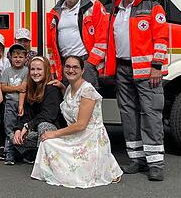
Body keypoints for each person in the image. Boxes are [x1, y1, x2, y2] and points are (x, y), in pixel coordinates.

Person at [106, 0, 169, 181]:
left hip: (147, 72)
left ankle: (155, 164)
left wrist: (157, 66)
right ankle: (136, 159)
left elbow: (161, 38)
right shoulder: (116, 9)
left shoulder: (151, 7)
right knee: (128, 115)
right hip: (123, 70)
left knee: (151, 115)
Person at [32, 55, 123, 188]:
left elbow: (81, 125)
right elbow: (71, 103)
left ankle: (104, 168)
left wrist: (55, 133)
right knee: (47, 143)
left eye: (75, 67)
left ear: (82, 71)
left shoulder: (88, 91)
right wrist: (62, 87)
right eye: (68, 66)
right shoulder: (70, 87)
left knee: (50, 139)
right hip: (77, 135)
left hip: (89, 138)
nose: (71, 70)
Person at [46, 0, 107, 86]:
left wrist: (91, 63)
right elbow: (51, 45)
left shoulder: (93, 6)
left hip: (85, 64)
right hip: (65, 66)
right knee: (67, 101)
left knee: (87, 100)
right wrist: (54, 69)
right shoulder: (54, 12)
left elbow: (103, 39)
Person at [12, 57, 62, 162]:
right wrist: (18, 129)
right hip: (36, 129)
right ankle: (35, 154)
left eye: (39, 69)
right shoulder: (31, 89)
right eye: (32, 69)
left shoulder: (52, 88)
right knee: (16, 139)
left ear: (46, 70)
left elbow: (48, 115)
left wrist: (28, 126)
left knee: (43, 125)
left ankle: (42, 161)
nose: (35, 73)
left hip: (54, 130)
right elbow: (26, 115)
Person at [0, 43, 29, 165]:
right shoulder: (7, 71)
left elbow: (24, 89)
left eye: (21, 57)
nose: (17, 59)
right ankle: (9, 153)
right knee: (9, 127)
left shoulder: (27, 71)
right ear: (10, 57)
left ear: (25, 58)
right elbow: (3, 87)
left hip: (22, 103)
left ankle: (21, 153)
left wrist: (21, 105)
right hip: (9, 103)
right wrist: (17, 87)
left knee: (20, 128)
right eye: (15, 57)